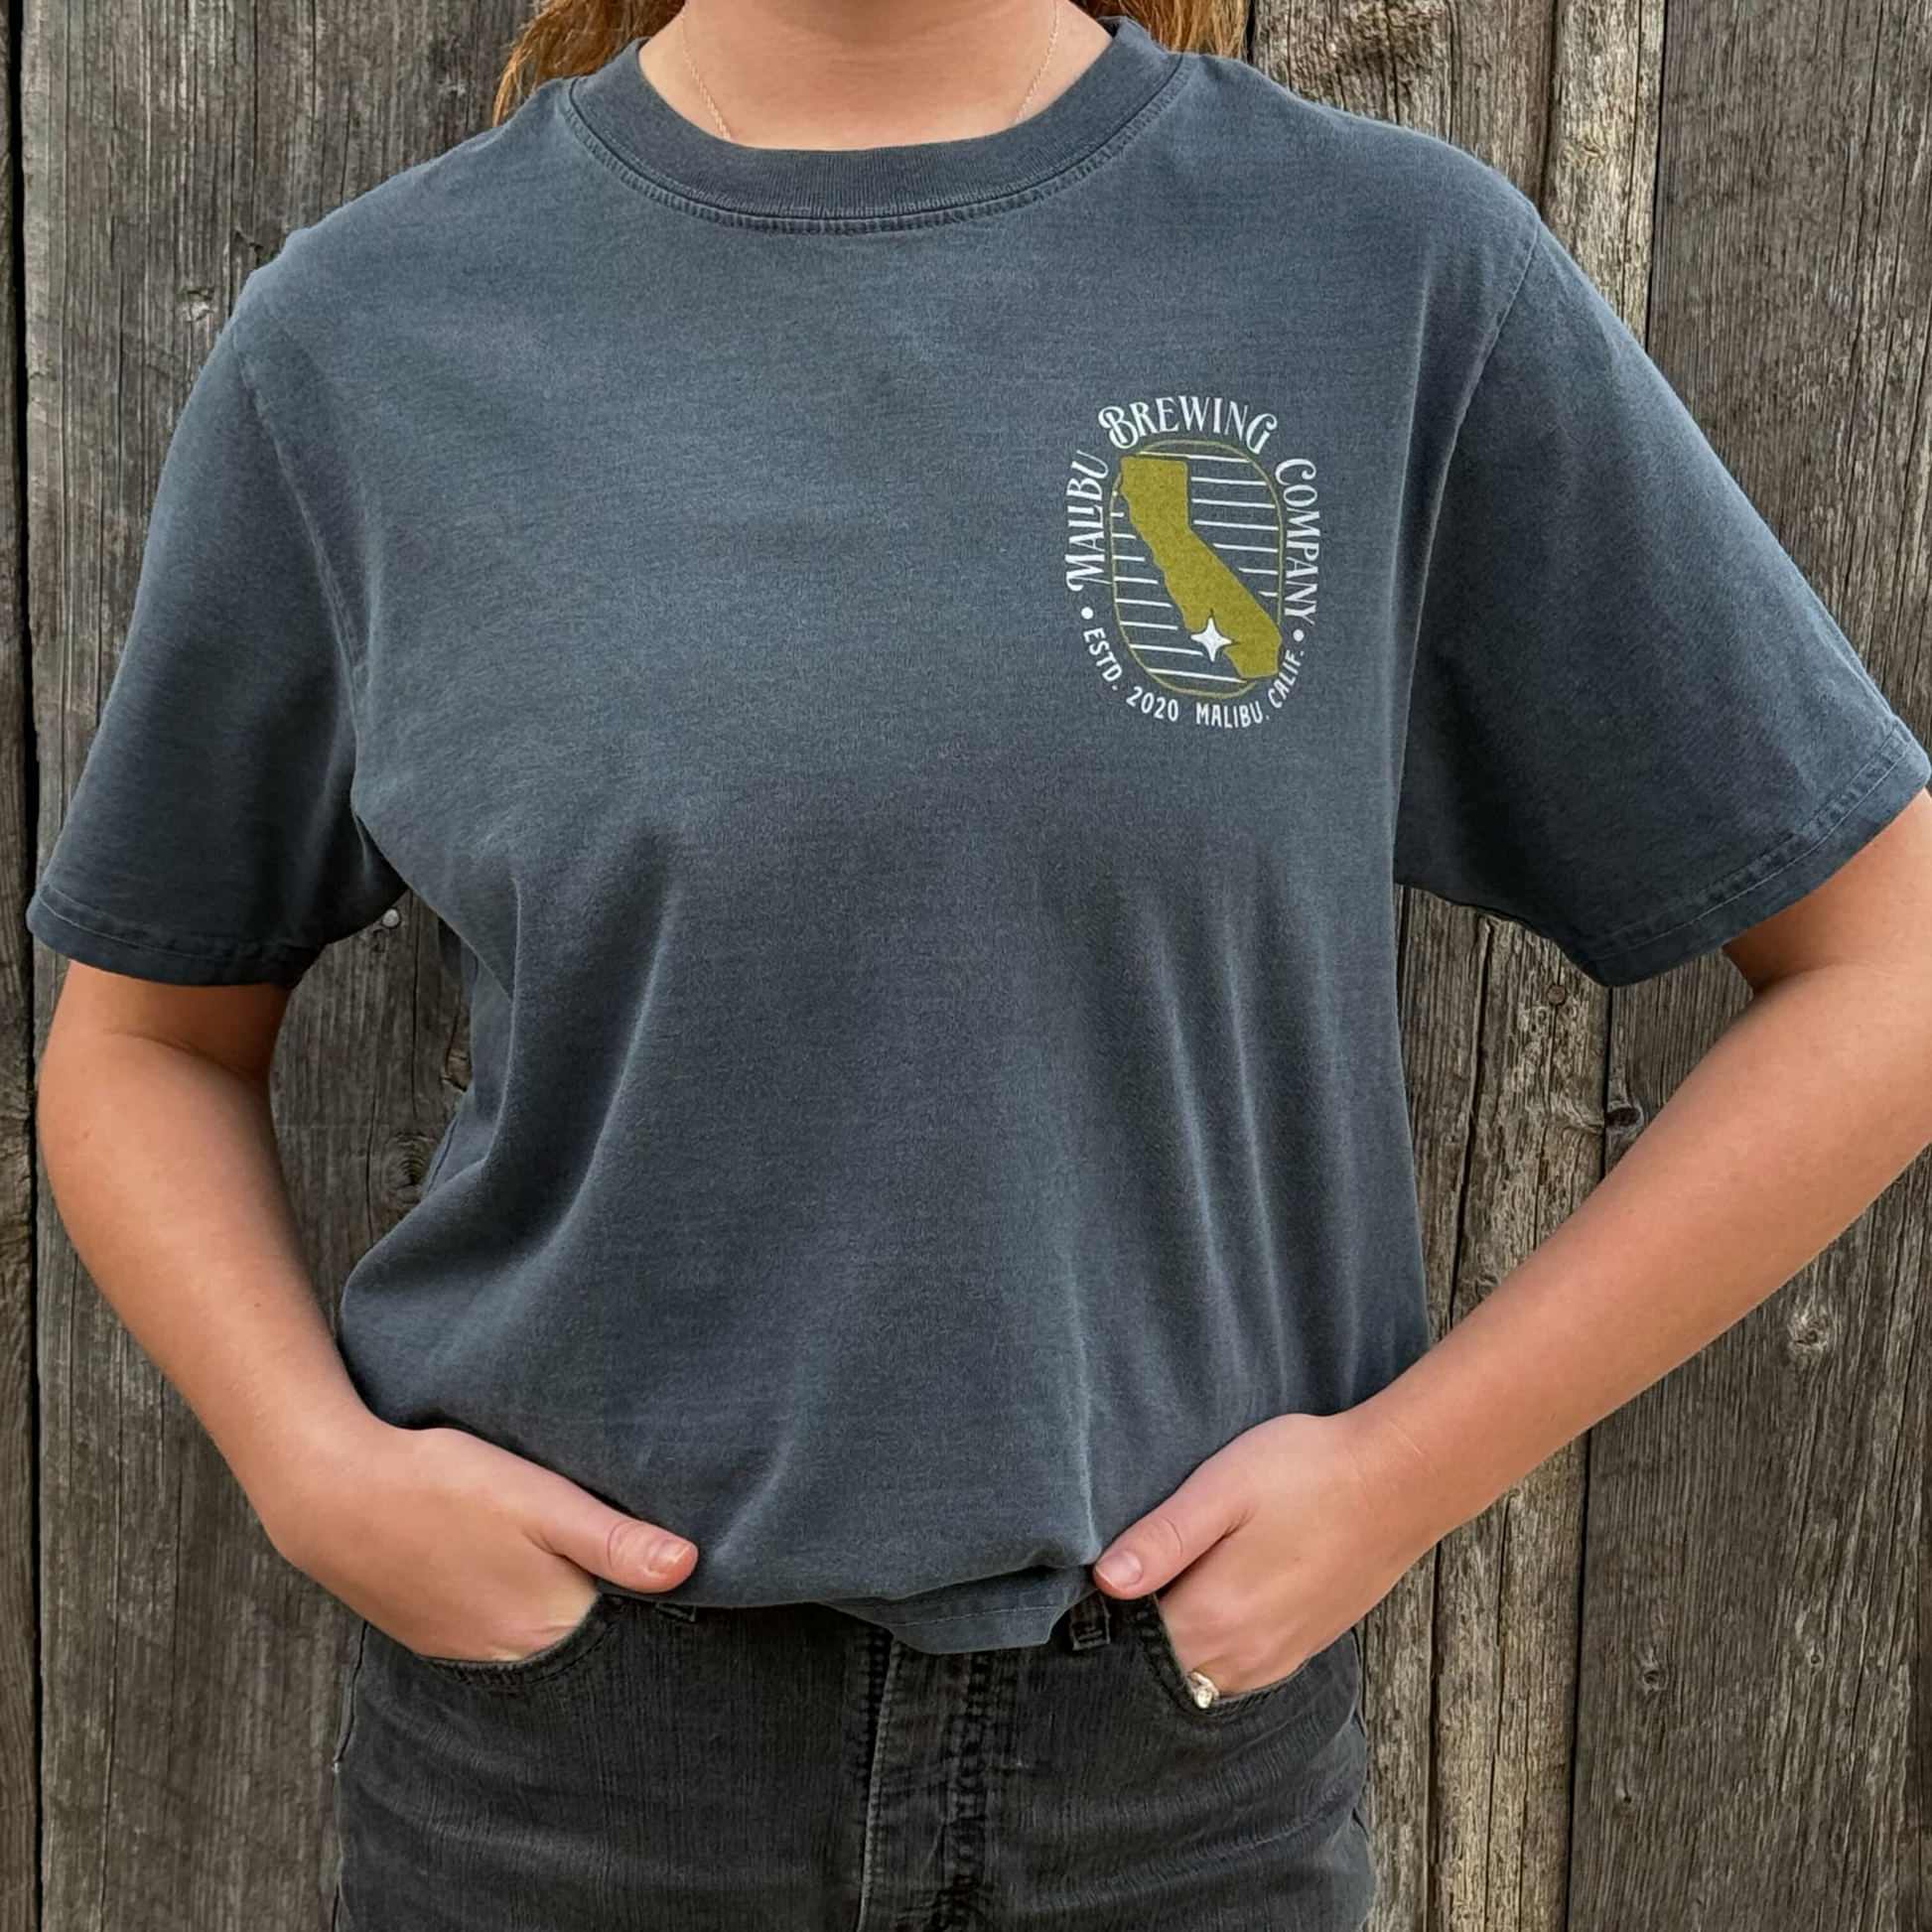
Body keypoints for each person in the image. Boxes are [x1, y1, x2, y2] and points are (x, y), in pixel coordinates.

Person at [26, 2, 1932, 1927]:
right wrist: (307, 1463)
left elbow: (1886, 957)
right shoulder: (372, 331)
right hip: (567, 1764)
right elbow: (148, 1034)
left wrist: (1403, 1475)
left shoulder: (1380, 268)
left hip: (1175, 1778)